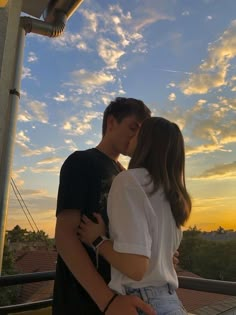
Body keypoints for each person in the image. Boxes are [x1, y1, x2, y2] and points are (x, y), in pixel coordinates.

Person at [52, 97, 156, 315]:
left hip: (123, 299)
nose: (137, 136)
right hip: (82, 302)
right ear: (111, 123)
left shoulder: (127, 176)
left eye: (141, 133)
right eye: (133, 127)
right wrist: (107, 301)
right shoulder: (81, 162)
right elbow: (64, 236)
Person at [78, 117, 192, 315]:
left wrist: (97, 240)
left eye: (137, 132)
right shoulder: (171, 194)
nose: (132, 136)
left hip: (141, 303)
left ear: (147, 141)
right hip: (169, 300)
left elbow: (135, 268)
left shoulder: (129, 181)